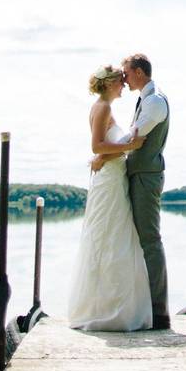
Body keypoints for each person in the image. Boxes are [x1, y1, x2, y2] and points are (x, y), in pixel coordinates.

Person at [66, 65, 153, 331]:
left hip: (113, 177)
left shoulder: (104, 107)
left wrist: (105, 156)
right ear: (108, 84)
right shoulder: (102, 107)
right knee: (109, 237)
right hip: (109, 180)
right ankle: (107, 309)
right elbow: (96, 145)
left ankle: (110, 304)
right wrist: (130, 146)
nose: (123, 85)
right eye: (119, 81)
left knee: (115, 237)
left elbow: (102, 149)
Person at [118, 54, 171, 330]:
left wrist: (104, 148)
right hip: (138, 175)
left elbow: (134, 138)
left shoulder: (155, 102)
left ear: (138, 72)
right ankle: (142, 306)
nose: (124, 78)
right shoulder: (147, 100)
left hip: (146, 178)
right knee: (140, 241)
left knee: (150, 240)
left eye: (126, 73)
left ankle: (159, 312)